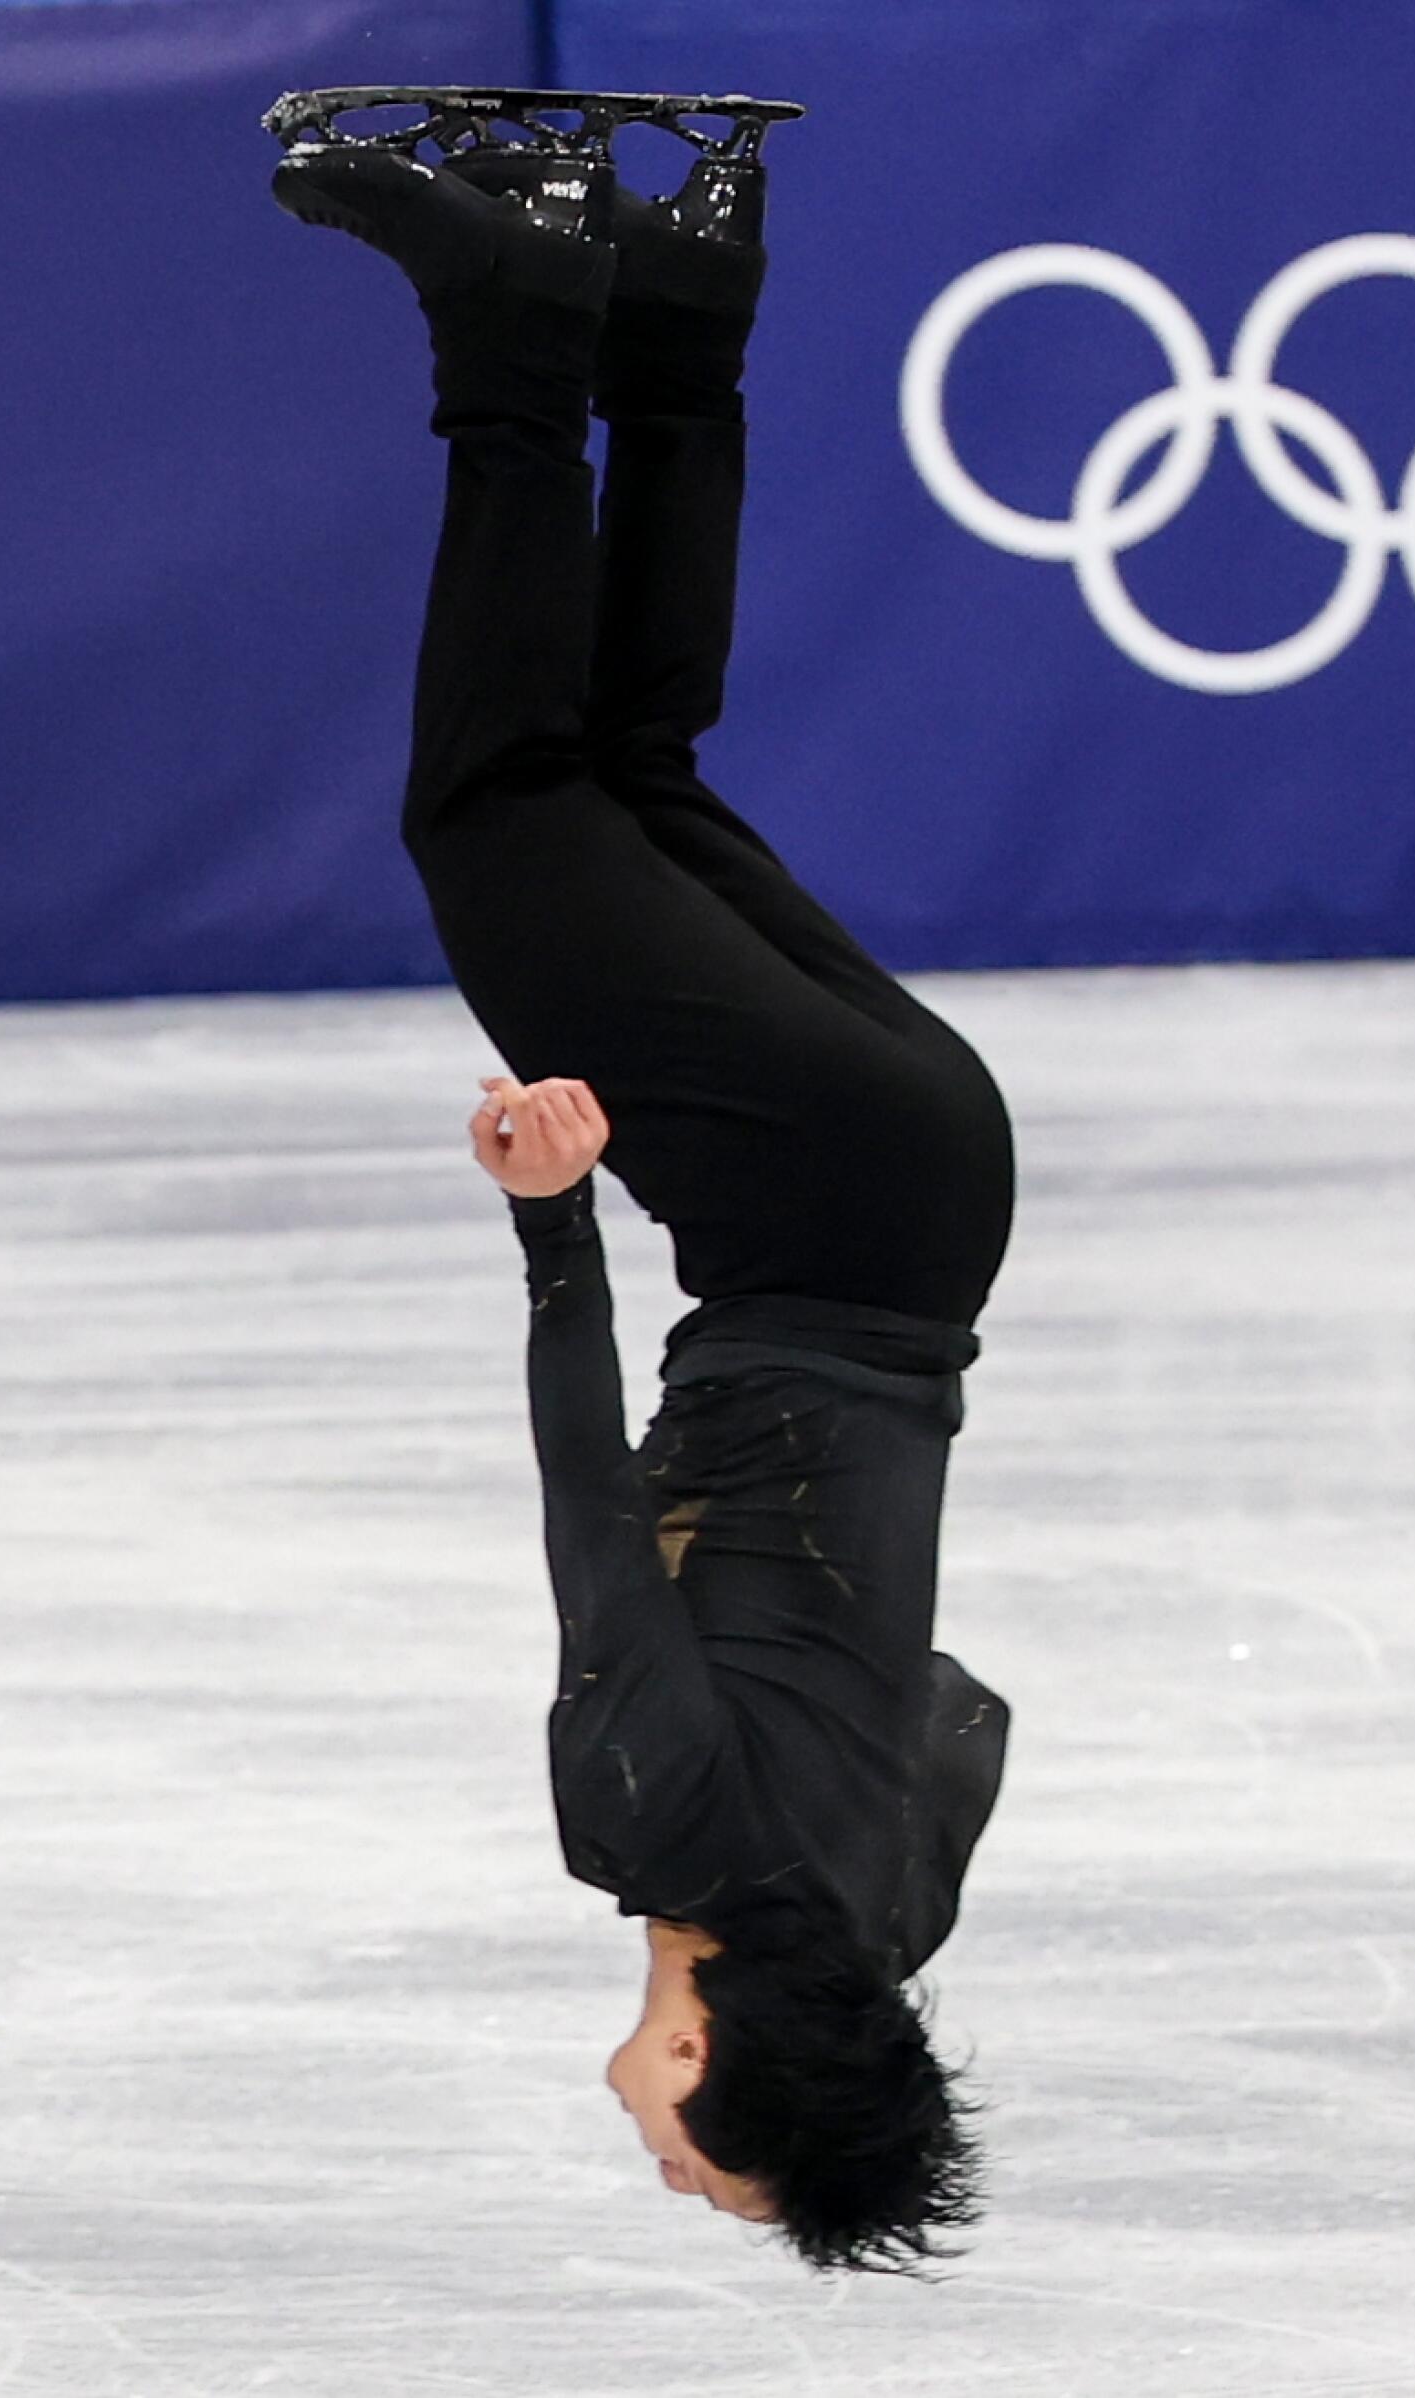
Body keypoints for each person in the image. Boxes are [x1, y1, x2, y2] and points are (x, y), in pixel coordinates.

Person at [268, 106, 1017, 2277]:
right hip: (788, 1219)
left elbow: (958, 1713)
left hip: (936, 1202)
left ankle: (681, 282)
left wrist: (818, 1628)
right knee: (491, 807)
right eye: (719, 2166)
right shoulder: (656, 1829)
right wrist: (546, 1215)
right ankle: (503, 310)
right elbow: (593, 1518)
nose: (679, 2175)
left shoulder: (882, 1906)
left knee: (629, 771)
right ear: (712, 2063)